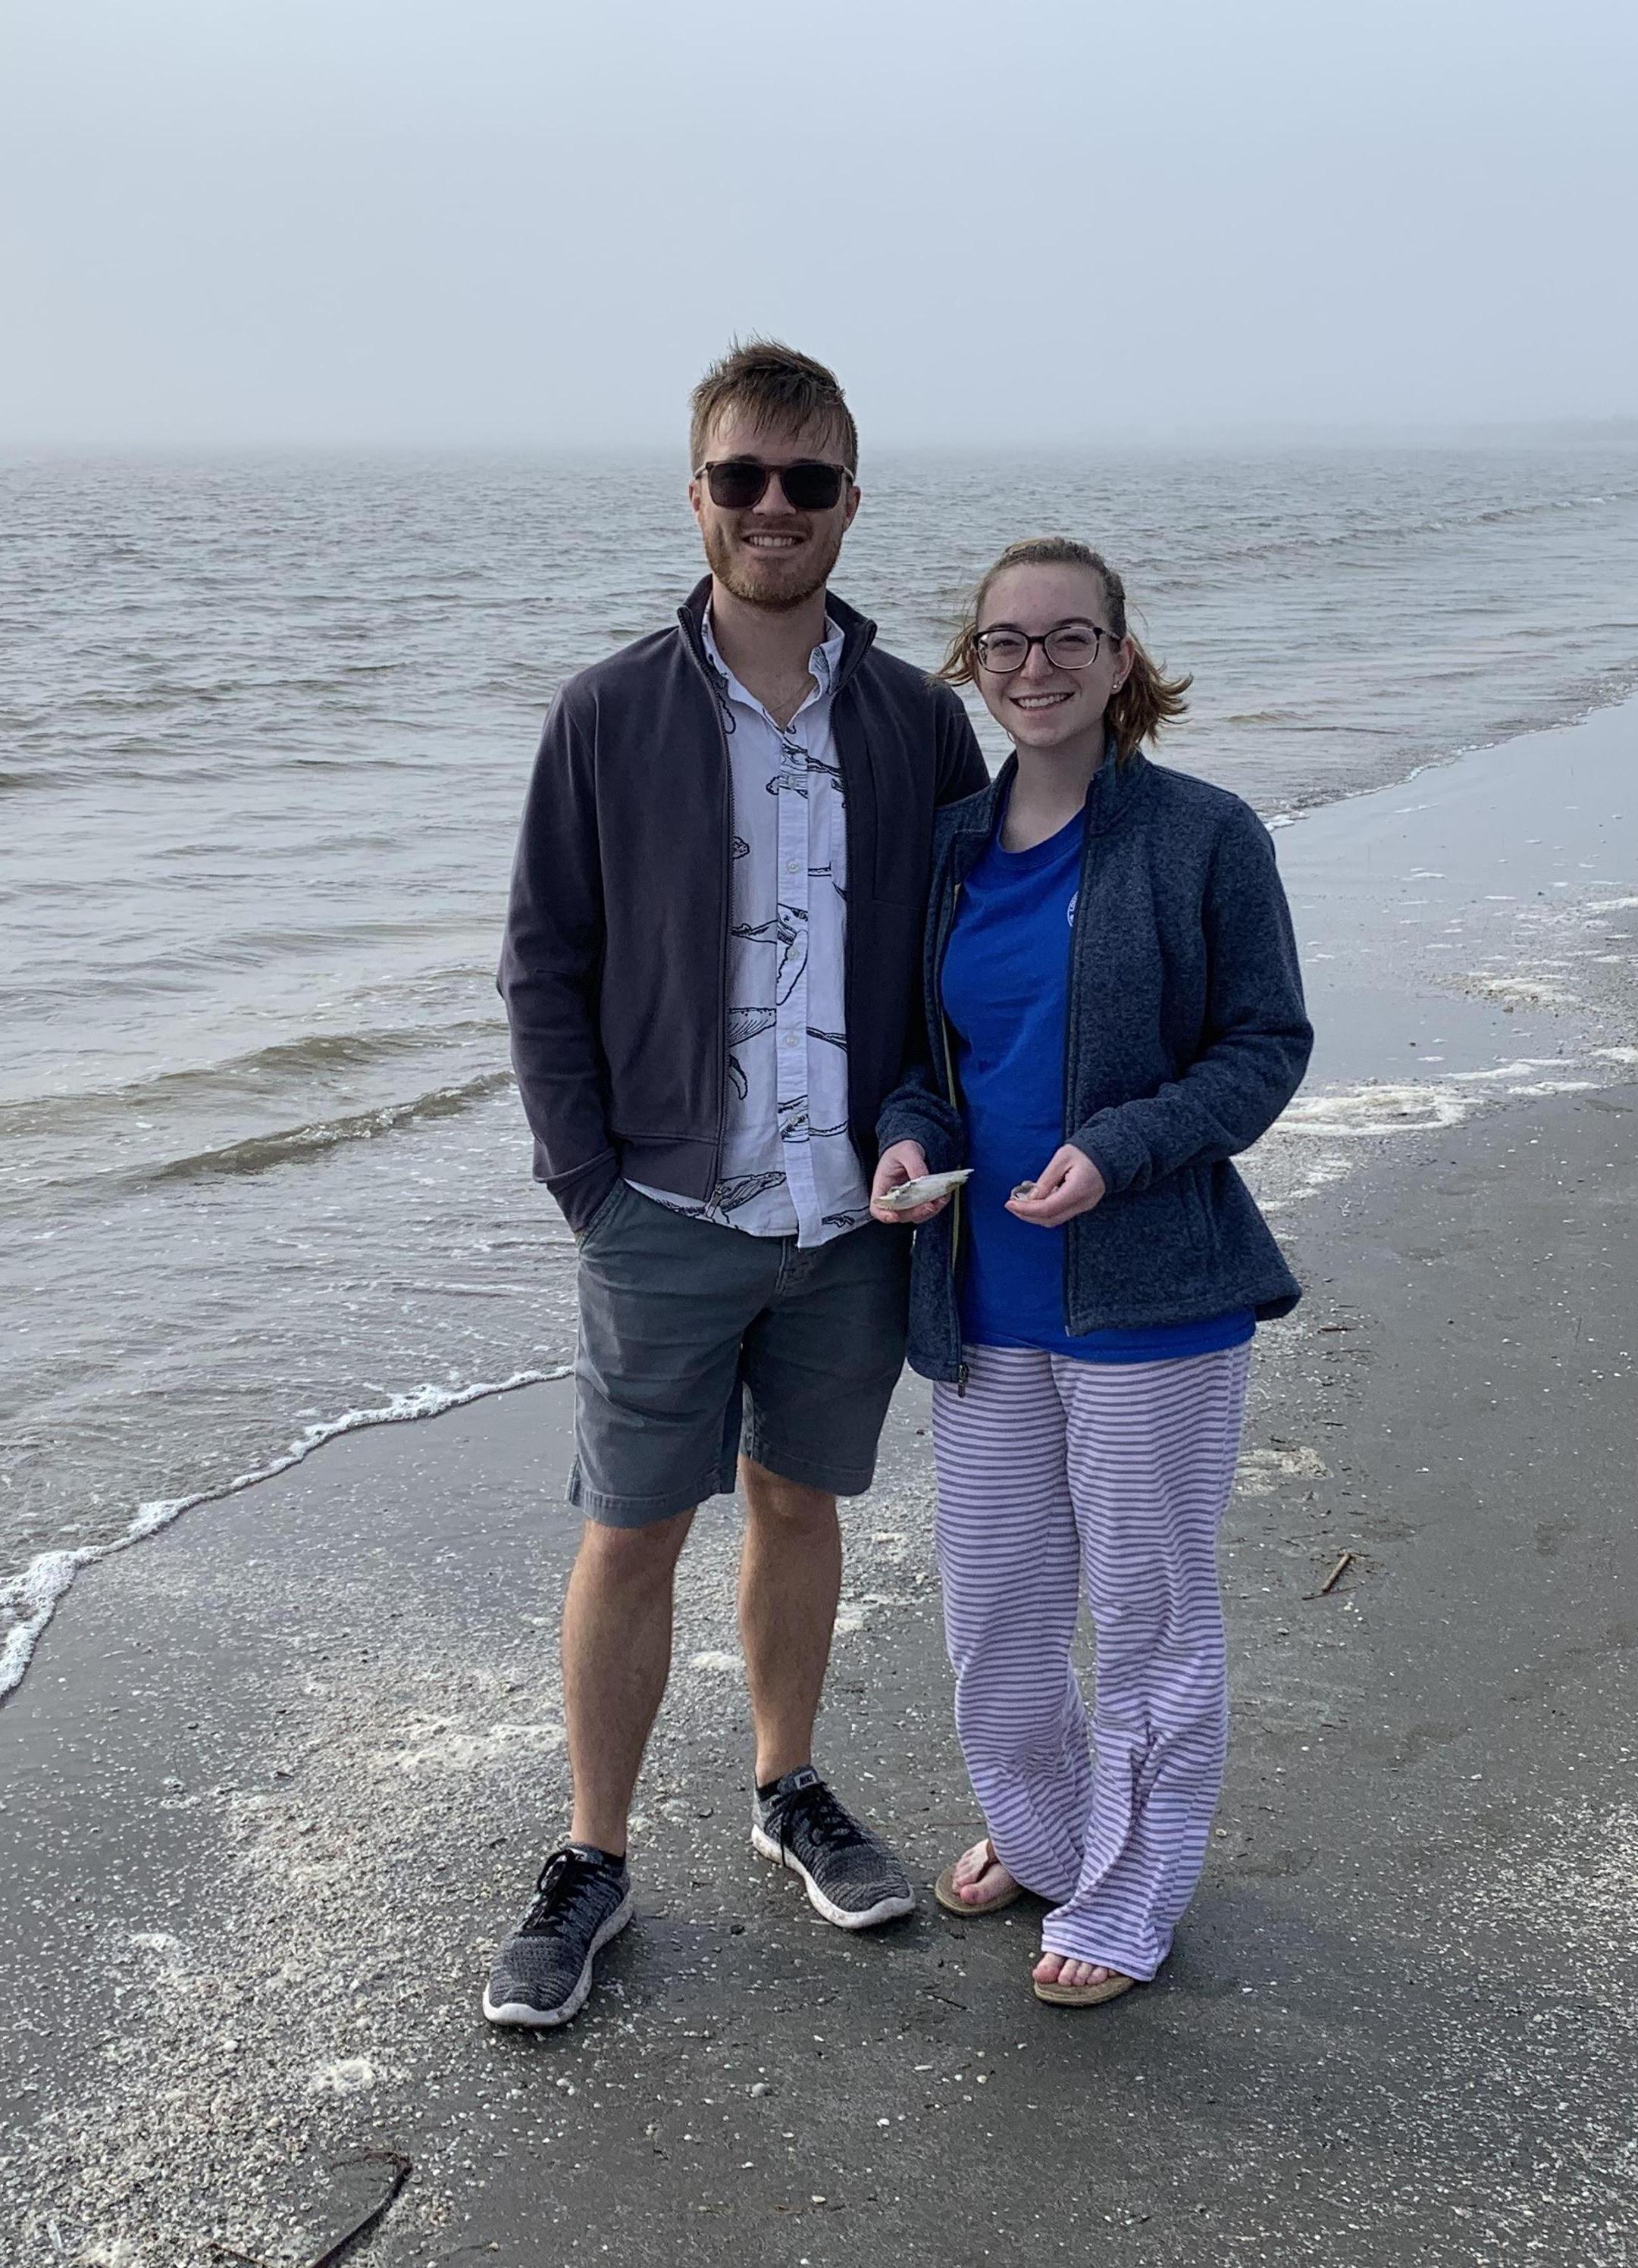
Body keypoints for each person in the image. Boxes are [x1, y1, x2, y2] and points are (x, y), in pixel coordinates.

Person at [484, 341, 988, 2029]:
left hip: (854, 1217)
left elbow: (957, 968)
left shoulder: (922, 721)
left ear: (852, 500)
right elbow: (545, 961)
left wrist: (928, 1131)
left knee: (798, 1502)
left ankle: (787, 1788)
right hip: (666, 1210)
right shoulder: (608, 712)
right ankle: (593, 1857)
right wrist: (590, 1185)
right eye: (742, 477)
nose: (775, 507)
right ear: (695, 492)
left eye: (810, 480)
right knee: (631, 1532)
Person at [871, 538, 1311, 2007]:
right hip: (980, 1294)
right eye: (1006, 643)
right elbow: (926, 1068)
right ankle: (1049, 1832)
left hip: (1152, 1296)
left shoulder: (1204, 835)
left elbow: (1265, 1047)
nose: (1037, 668)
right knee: (993, 1610)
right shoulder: (946, 847)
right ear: (972, 664)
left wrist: (1119, 1151)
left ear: (1124, 659)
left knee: (1148, 1609)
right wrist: (905, 1145)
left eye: (1071, 639)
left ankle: (1131, 1892)